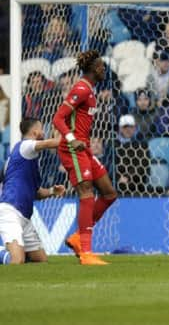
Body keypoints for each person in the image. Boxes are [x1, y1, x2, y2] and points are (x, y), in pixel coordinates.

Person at [52, 50, 118, 265]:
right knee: (87, 193)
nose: (104, 69)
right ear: (93, 69)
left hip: (85, 149)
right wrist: (71, 139)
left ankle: (78, 237)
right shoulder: (80, 88)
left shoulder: (90, 89)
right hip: (73, 149)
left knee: (109, 193)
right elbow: (58, 118)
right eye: (101, 66)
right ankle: (87, 253)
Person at [0, 119, 65, 265]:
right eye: (42, 129)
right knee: (17, 261)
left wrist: (52, 191)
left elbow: (37, 193)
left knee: (41, 261)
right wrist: (62, 129)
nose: (44, 132)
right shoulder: (25, 146)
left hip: (25, 218)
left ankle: (17, 251)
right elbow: (53, 143)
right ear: (35, 132)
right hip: (10, 211)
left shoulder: (31, 160)